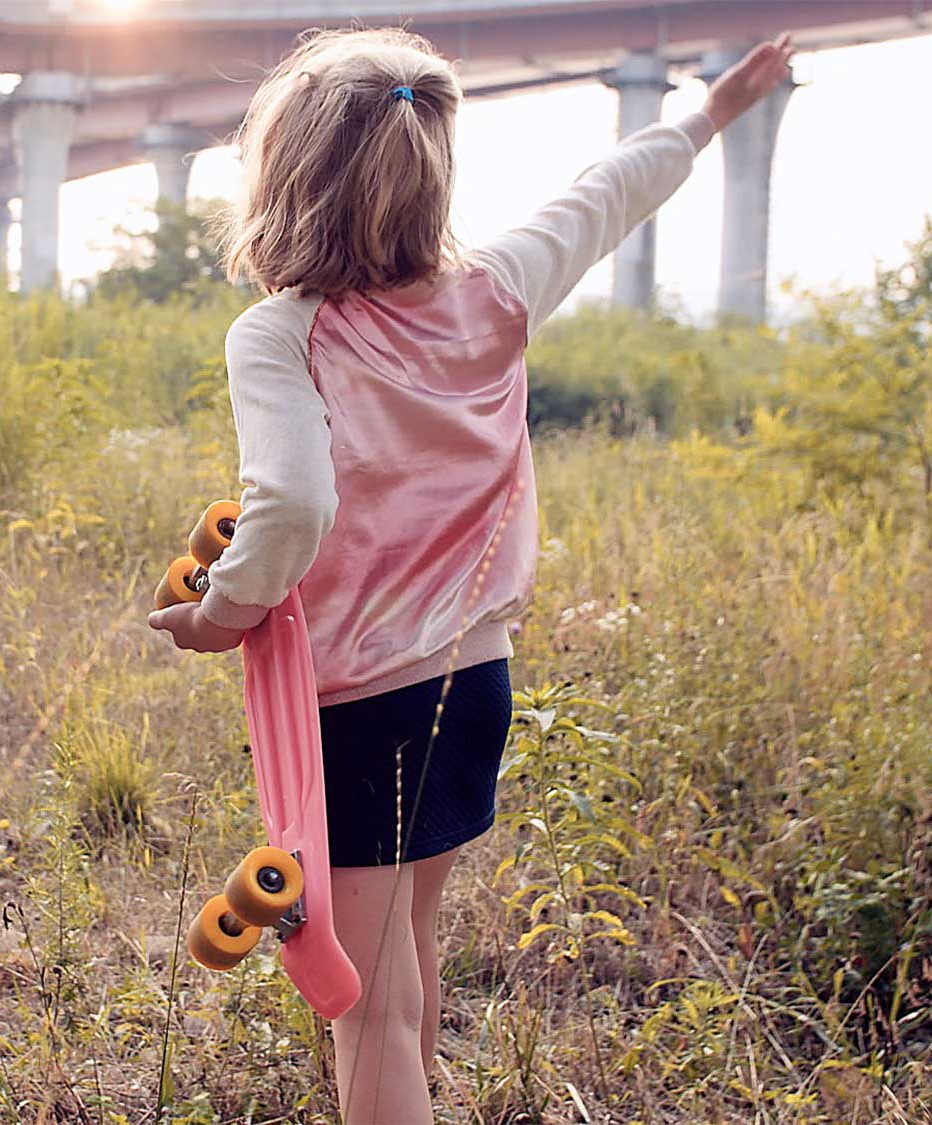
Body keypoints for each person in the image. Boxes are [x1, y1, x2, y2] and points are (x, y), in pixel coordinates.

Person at [148, 26, 796, 1122]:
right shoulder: (495, 289)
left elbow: (294, 505)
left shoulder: (281, 335)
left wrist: (222, 613)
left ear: (287, 177)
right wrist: (708, 112)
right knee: (402, 962)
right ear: (427, 164)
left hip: (362, 707)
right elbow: (609, 189)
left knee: (360, 1001)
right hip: (472, 682)